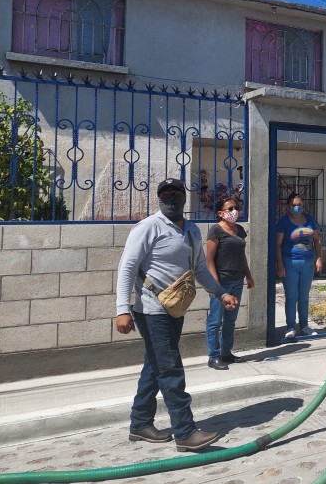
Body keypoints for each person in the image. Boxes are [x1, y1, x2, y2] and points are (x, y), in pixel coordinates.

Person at [116, 178, 239, 452]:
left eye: (176, 194)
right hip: (150, 311)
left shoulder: (192, 230)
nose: (171, 198)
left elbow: (200, 269)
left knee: (155, 366)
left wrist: (220, 293)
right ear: (159, 199)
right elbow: (127, 268)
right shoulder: (148, 227)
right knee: (170, 368)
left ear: (184, 198)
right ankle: (184, 432)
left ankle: (139, 424)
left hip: (175, 309)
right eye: (165, 194)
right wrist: (122, 309)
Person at [205, 197, 254, 370]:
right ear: (220, 213)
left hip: (237, 280)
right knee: (215, 321)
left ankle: (226, 352)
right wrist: (217, 286)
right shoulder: (216, 230)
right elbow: (209, 259)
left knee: (230, 320)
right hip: (222, 282)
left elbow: (241, 256)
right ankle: (214, 356)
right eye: (230, 208)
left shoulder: (240, 230)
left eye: (236, 208)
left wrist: (248, 276)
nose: (234, 211)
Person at [275, 192, 322, 339]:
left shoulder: (309, 219)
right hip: (290, 263)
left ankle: (304, 326)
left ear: (303, 205)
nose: (296, 207)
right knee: (291, 297)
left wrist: (318, 258)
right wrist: (280, 265)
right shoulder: (283, 222)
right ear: (288, 207)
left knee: (304, 296)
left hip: (308, 263)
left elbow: (317, 240)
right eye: (293, 205)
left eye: (299, 205)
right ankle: (290, 327)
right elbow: (277, 245)